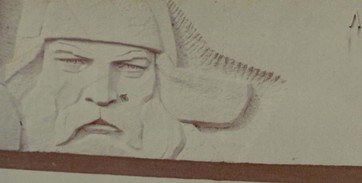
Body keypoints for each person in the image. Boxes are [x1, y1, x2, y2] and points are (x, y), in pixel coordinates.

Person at [1, 0, 278, 159]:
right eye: (72, 62)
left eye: (131, 67)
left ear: (159, 78)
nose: (102, 95)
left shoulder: (213, 154)